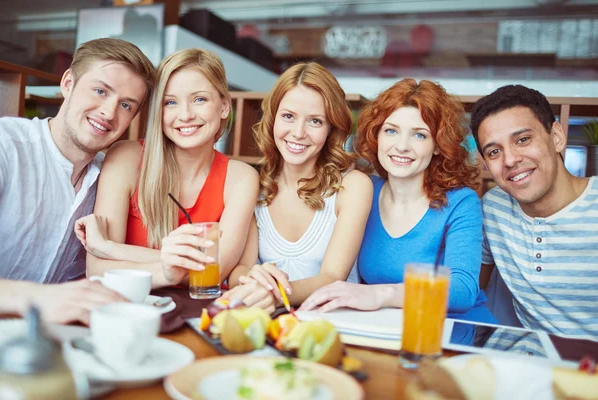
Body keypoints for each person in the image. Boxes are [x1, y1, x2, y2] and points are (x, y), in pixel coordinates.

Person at [301, 79, 496, 324]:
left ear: (438, 145)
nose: (402, 146)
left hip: (454, 331)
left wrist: (381, 294)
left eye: (419, 135)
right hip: (386, 328)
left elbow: (463, 290)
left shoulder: (461, 202)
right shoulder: (362, 191)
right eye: (391, 131)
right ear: (376, 136)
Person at [74, 48, 260, 294]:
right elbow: (97, 269)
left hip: (196, 319)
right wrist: (168, 267)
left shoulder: (241, 177)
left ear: (225, 106)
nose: (185, 115)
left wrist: (110, 248)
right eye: (170, 102)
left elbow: (214, 273)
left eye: (199, 99)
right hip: (128, 310)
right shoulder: (126, 158)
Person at [0, 38, 155, 323]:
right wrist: (38, 298)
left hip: (52, 345)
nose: (109, 112)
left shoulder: (109, 182)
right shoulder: (5, 146)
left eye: (126, 105)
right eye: (99, 91)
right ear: (68, 83)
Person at [223, 62, 373, 311]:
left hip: (332, 326)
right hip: (268, 322)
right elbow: (240, 269)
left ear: (330, 129)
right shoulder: (254, 186)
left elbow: (332, 277)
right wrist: (251, 281)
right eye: (288, 116)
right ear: (273, 120)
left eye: (315, 121)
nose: (298, 132)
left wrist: (275, 292)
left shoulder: (353, 187)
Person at [469, 84, 598, 340]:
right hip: (524, 365)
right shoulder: (493, 208)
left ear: (557, 137)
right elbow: (472, 294)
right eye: (494, 151)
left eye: (523, 139)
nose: (509, 159)